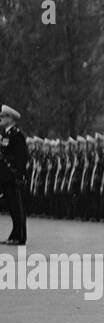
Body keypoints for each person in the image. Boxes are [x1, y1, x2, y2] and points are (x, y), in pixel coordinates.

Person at [0, 104, 29, 244]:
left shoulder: (17, 135)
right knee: (11, 207)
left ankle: (20, 236)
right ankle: (14, 234)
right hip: (5, 177)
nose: (1, 118)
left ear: (11, 119)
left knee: (18, 208)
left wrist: (20, 175)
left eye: (3, 116)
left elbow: (22, 157)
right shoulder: (4, 135)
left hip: (13, 177)